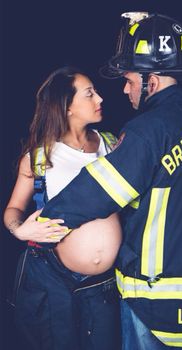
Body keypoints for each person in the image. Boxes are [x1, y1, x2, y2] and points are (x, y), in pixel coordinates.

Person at [38, 12, 182, 350]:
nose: (124, 90)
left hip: (154, 304)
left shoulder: (147, 132)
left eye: (128, 80)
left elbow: (95, 193)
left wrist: (42, 224)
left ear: (151, 82)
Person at [4, 66, 122, 350]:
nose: (100, 99)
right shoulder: (41, 156)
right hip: (54, 281)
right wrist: (19, 230)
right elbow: (12, 210)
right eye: (90, 93)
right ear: (67, 106)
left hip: (103, 286)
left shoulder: (111, 145)